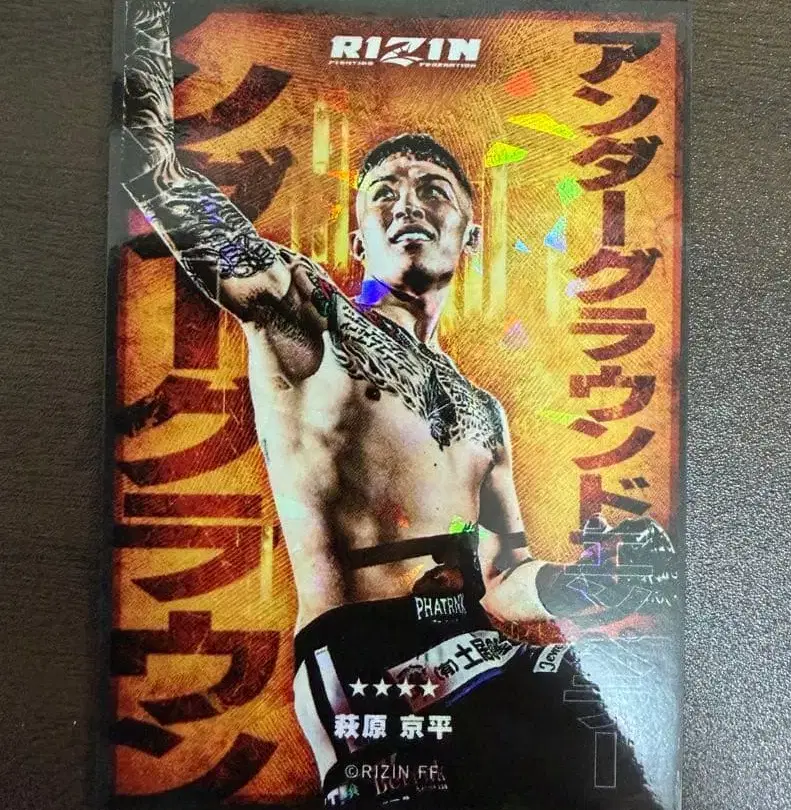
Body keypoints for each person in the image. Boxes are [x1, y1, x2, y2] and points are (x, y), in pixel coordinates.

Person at [121, 3, 674, 807]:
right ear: (359, 240)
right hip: (370, 664)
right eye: (383, 191)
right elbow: (156, 174)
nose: (407, 202)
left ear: (469, 235)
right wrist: (143, 19)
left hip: (478, 650)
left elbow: (502, 577)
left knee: (613, 759)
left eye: (433, 190)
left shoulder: (483, 411)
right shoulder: (308, 317)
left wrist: (590, 585)